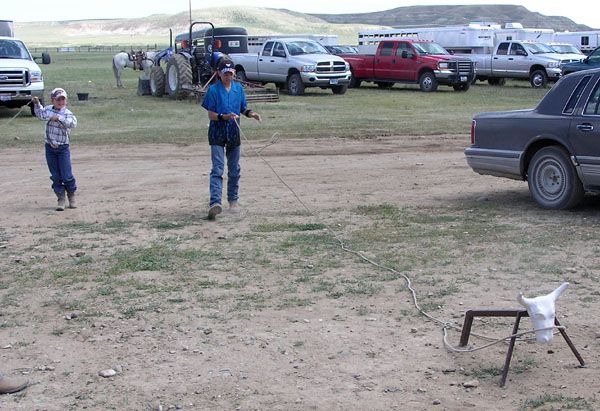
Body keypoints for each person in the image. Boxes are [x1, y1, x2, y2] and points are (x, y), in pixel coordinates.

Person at [201, 58, 261, 220]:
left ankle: (233, 200)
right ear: (219, 74)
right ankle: (215, 203)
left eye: (230, 74)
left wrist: (251, 114)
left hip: (234, 134)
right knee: (218, 169)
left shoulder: (238, 89)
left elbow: (243, 108)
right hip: (217, 134)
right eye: (225, 74)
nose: (228, 76)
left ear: (234, 74)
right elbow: (211, 115)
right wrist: (224, 117)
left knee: (234, 169)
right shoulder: (213, 91)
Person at [31, 87, 78, 211]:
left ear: (66, 101)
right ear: (53, 100)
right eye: (58, 100)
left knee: (66, 175)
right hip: (50, 148)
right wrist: (37, 104)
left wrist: (60, 118)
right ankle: (60, 197)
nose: (60, 102)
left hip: (63, 148)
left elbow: (73, 123)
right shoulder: (47, 110)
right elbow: (40, 114)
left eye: (63, 99)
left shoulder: (68, 113)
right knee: (56, 175)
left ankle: (71, 194)